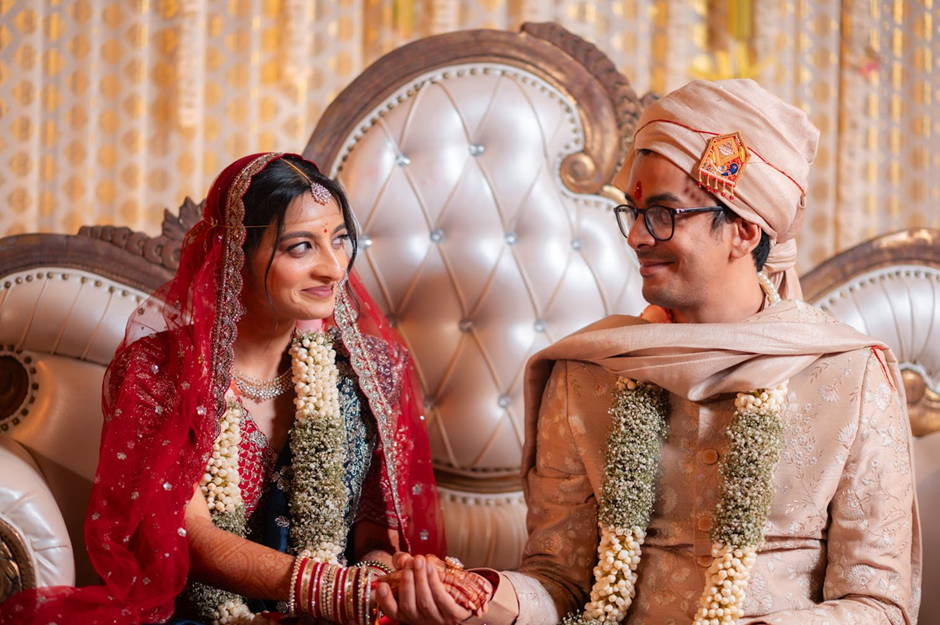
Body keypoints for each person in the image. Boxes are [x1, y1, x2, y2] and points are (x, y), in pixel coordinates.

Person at [377, 80, 922, 624]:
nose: (637, 236)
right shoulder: (588, 372)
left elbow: (881, 605)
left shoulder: (850, 375)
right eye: (633, 212)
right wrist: (482, 598)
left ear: (744, 229)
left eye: (663, 213)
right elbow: (561, 581)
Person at [0, 152, 445, 624]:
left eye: (339, 240)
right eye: (301, 247)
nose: (335, 269)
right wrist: (337, 589)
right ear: (234, 253)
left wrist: (383, 584)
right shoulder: (161, 374)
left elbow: (375, 538)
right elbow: (189, 536)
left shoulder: (368, 371)